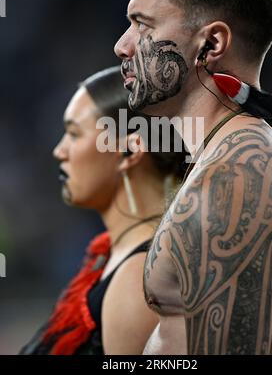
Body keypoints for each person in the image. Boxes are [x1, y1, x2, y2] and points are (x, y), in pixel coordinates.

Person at [114, 0, 272, 355]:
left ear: (212, 44)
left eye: (143, 25)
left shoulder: (232, 183)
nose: (122, 46)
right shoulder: (251, 150)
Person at [20, 66, 186, 355]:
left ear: (130, 151)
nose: (59, 151)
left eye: (74, 134)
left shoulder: (139, 281)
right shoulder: (118, 257)